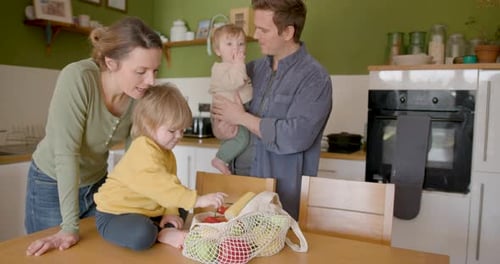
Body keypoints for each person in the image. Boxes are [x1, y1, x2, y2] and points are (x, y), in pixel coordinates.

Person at [24, 17, 164, 256]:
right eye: (141, 71)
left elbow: (136, 157)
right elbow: (66, 154)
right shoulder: (78, 78)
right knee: (55, 256)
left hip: (98, 185)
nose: (150, 81)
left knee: (97, 254)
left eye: (155, 71)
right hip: (52, 183)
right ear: (111, 63)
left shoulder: (139, 95)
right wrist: (69, 227)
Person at [211, 0, 333, 220]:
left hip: (281, 192)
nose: (255, 35)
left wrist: (241, 117)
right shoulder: (250, 69)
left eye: (263, 30)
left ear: (288, 32)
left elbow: (296, 137)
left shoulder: (315, 78)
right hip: (238, 180)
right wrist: (221, 126)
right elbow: (222, 118)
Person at [93, 84, 227, 250]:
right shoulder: (142, 148)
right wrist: (198, 199)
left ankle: (162, 228)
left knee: (179, 208)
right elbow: (162, 187)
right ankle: (160, 233)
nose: (179, 136)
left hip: (146, 210)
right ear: (149, 125)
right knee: (143, 233)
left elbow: (172, 185)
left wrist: (170, 212)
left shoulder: (167, 153)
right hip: (115, 215)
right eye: (172, 130)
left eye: (182, 130)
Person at [208, 24, 253, 175]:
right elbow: (236, 82)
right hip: (229, 116)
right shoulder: (220, 68)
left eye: (240, 44)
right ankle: (220, 159)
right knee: (241, 138)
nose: (236, 48)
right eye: (229, 44)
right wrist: (239, 64)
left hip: (236, 113)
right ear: (218, 50)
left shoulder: (238, 67)